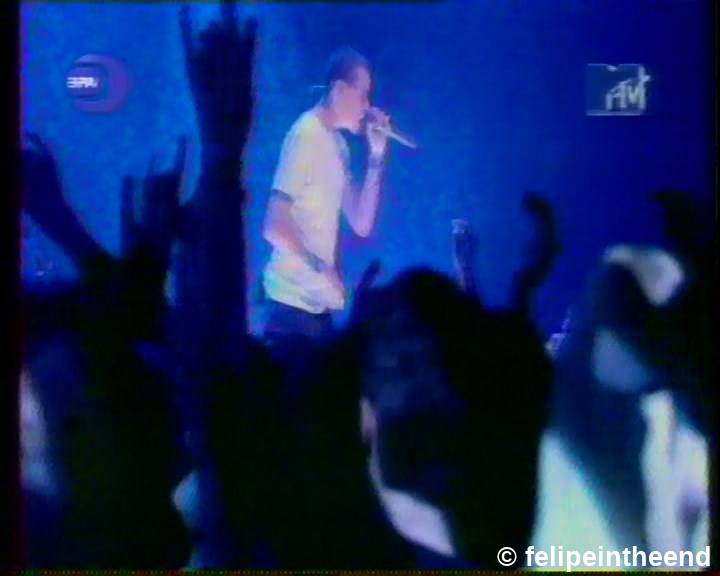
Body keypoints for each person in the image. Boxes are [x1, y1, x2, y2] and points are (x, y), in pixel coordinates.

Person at [262, 47, 391, 347]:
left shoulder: (338, 146)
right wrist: (322, 268)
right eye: (363, 95)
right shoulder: (305, 134)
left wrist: (376, 156)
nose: (367, 106)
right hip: (290, 309)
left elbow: (361, 223)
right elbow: (274, 226)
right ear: (340, 90)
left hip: (316, 310)